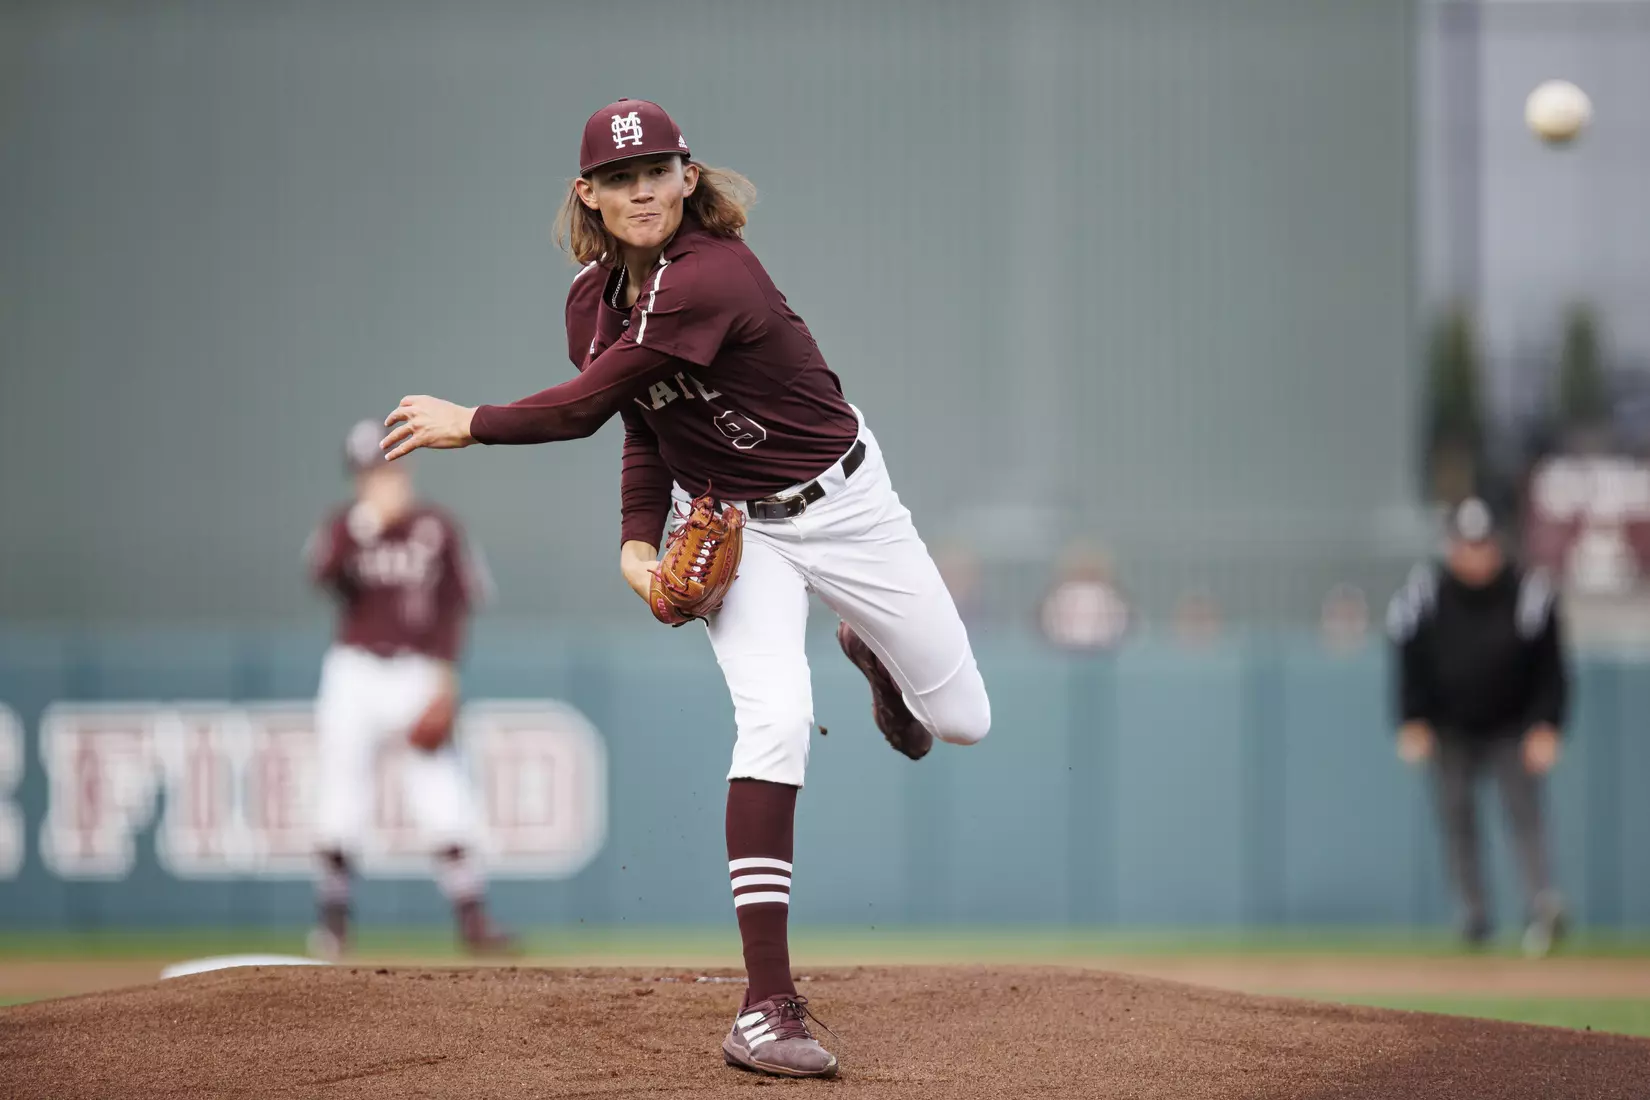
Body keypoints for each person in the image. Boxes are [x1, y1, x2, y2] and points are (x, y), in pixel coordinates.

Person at [377, 99, 990, 1078]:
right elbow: (637, 425)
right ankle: (766, 1005)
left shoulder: (714, 274)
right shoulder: (591, 302)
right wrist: (634, 541)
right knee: (775, 721)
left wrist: (474, 421)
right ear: (590, 194)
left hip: (847, 506)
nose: (642, 188)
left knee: (961, 719)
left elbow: (579, 411)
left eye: (657, 169)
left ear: (689, 175)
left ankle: (870, 646)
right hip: (740, 525)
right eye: (620, 177)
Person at [304, 419, 515, 959]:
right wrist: (365, 527)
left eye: (389, 468)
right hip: (354, 669)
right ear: (357, 478)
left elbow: (460, 602)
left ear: (406, 467)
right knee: (341, 789)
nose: (382, 480)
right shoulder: (347, 526)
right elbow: (320, 575)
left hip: (418, 669)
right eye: (370, 472)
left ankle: (472, 919)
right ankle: (333, 923)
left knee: (441, 788)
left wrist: (446, 677)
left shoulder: (438, 527)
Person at [1386, 497, 1569, 956]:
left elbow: (1552, 666)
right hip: (1451, 725)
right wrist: (1412, 718)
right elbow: (1408, 658)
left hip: (1512, 722)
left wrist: (1548, 722)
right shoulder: (1424, 592)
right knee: (1457, 819)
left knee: (1524, 815)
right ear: (1451, 546)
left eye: (1482, 544)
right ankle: (1474, 917)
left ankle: (1540, 908)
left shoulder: (1529, 590)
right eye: (1466, 545)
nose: (1474, 554)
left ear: (1497, 544)